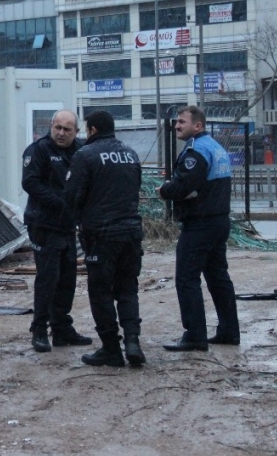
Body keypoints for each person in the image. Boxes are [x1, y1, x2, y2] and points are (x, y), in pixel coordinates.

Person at [65, 110, 145, 367]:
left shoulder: (85, 155)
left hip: (101, 234)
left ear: (92, 130)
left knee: (100, 292)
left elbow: (72, 195)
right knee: (127, 288)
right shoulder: (130, 154)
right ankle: (133, 341)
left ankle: (111, 347)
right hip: (131, 232)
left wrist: (77, 220)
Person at [158, 105, 240, 351]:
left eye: (182, 122)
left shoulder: (196, 150)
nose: (177, 126)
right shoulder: (216, 147)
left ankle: (194, 336)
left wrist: (164, 190)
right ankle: (228, 331)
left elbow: (184, 185)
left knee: (186, 278)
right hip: (219, 221)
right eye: (176, 122)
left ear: (198, 125)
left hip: (200, 223)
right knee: (218, 277)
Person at [22, 109, 92, 353]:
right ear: (51, 127)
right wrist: (61, 201)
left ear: (76, 131)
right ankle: (39, 329)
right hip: (43, 224)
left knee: (67, 279)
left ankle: (62, 329)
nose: (61, 133)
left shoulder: (80, 151)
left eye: (67, 129)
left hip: (67, 226)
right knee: (48, 278)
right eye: (57, 128)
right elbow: (30, 182)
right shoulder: (39, 150)